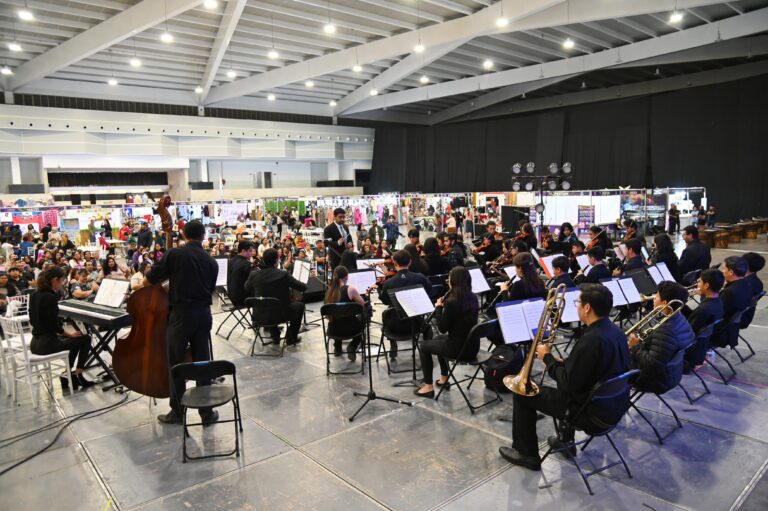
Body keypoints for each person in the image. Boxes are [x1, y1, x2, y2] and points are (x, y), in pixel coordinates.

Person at [498, 284, 631, 471]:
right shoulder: (615, 331)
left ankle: (526, 454)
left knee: (523, 394)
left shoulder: (591, 340)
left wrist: (548, 359)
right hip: (614, 407)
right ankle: (565, 440)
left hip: (590, 413)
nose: (576, 307)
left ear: (587, 308)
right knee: (561, 379)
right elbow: (591, 369)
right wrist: (562, 363)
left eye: (578, 303)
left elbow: (570, 384)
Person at [146, 220, 219, 426]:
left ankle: (178, 412)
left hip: (181, 315)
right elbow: (210, 289)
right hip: (204, 315)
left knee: (176, 363)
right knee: (203, 362)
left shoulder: (175, 254)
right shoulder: (211, 262)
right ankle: (207, 413)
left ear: (184, 235)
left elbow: (152, 278)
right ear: (204, 236)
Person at [414, 267, 479, 398]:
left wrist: (438, 308)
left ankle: (428, 387)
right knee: (438, 338)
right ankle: (444, 379)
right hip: (472, 346)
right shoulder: (473, 297)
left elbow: (442, 327)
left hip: (458, 349)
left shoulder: (452, 302)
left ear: (453, 281)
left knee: (423, 346)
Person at [29, 266, 95, 390]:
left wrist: (62, 334)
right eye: (63, 280)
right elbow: (54, 325)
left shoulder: (35, 294)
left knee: (77, 340)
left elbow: (35, 320)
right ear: (55, 279)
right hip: (47, 345)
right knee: (86, 339)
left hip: (35, 344)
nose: (63, 283)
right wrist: (66, 334)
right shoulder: (51, 297)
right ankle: (78, 374)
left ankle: (67, 375)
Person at [629, 281, 694, 394]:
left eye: (657, 295)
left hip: (653, 380)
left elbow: (651, 364)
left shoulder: (666, 330)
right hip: (672, 373)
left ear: (664, 303)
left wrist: (635, 346)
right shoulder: (679, 318)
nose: (654, 297)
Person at [245, 248, 307, 346]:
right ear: (277, 260)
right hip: (281, 314)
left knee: (268, 305)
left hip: (259, 315)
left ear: (263, 260)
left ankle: (275, 335)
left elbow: (247, 288)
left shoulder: (254, 274)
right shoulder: (283, 274)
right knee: (300, 306)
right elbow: (303, 287)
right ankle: (291, 337)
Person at [378, 250, 432, 359]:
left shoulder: (389, 282)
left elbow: (385, 301)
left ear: (395, 263)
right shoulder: (420, 277)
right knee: (428, 327)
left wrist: (380, 289)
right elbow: (429, 291)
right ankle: (426, 351)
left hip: (395, 326)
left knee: (386, 313)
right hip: (416, 323)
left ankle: (393, 346)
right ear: (410, 262)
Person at [324, 266, 367, 360]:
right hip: (352, 329)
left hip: (334, 330)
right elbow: (363, 305)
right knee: (365, 317)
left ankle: (337, 347)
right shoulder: (350, 289)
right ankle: (353, 345)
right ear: (347, 277)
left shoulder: (329, 292)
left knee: (337, 318)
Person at [684, 269, 725, 341]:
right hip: (703, 340)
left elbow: (688, 330)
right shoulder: (718, 301)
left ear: (706, 285)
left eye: (700, 281)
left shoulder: (703, 310)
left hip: (690, 342)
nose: (697, 283)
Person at [227, 240, 255, 308]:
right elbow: (257, 276)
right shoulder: (246, 264)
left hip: (231, 296)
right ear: (243, 251)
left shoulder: (231, 261)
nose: (252, 253)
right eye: (250, 251)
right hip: (243, 299)